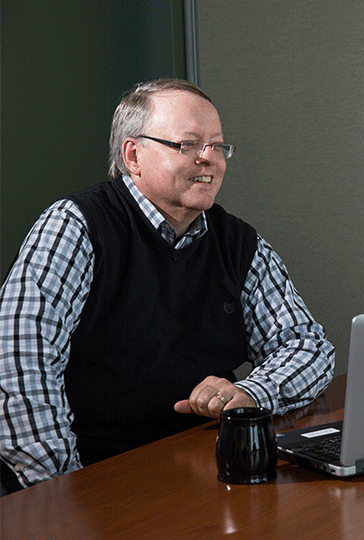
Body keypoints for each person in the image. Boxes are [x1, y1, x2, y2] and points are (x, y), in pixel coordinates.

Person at [0, 79, 335, 493]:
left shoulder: (237, 241)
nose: (210, 160)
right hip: (96, 473)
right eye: (188, 145)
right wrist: (63, 491)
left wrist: (250, 392)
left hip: (201, 466)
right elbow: (17, 362)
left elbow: (309, 347)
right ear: (133, 154)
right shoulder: (76, 226)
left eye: (218, 146)